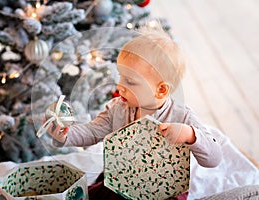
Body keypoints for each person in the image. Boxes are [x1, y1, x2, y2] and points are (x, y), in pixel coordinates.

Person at [45, 29, 222, 199]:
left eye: (129, 81)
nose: (119, 85)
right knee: (88, 195)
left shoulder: (182, 117)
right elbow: (92, 132)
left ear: (160, 90)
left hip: (164, 191)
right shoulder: (118, 108)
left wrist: (190, 135)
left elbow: (214, 158)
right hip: (121, 182)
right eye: (121, 76)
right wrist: (66, 135)